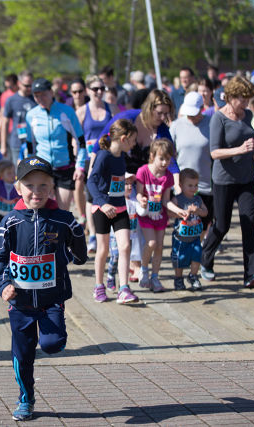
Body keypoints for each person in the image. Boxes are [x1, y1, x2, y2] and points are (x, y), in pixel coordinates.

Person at [0, 155, 87, 421]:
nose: (36, 192)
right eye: (29, 185)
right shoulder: (10, 222)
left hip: (52, 298)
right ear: (18, 188)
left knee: (52, 344)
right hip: (19, 302)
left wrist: (78, 253)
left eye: (43, 185)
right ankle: (26, 398)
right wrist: (3, 285)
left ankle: (53, 336)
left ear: (52, 187)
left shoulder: (63, 219)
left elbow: (77, 241)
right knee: (23, 354)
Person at [200, 76, 254, 288]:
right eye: (242, 99)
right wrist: (239, 150)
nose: (246, 104)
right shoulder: (219, 118)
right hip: (224, 180)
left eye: (247, 99)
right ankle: (205, 260)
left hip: (246, 178)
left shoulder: (248, 116)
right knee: (222, 224)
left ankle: (252, 272)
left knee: (250, 222)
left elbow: (249, 142)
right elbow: (215, 152)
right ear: (231, 97)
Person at [87, 119, 139, 304]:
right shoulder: (103, 156)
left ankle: (124, 289)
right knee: (103, 249)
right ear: (124, 139)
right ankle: (99, 286)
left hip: (120, 207)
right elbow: (91, 181)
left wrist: (126, 178)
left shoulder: (121, 157)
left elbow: (112, 179)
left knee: (125, 246)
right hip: (103, 209)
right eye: (132, 140)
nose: (134, 144)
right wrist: (102, 203)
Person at [24, 78, 87, 211]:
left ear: (51, 93)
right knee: (44, 210)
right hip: (43, 169)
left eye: (44, 94)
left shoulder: (67, 111)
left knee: (62, 211)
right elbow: (30, 145)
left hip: (65, 168)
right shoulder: (31, 115)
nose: (40, 98)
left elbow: (81, 141)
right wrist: (29, 167)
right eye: (36, 95)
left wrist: (80, 166)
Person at [77, 75, 118, 252]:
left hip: (108, 158)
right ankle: (93, 234)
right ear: (88, 90)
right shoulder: (81, 111)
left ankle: (107, 233)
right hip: (89, 159)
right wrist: (79, 165)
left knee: (108, 194)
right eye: (95, 89)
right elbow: (77, 140)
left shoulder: (112, 108)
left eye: (102, 88)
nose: (99, 92)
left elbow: (119, 131)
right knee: (91, 196)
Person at [169, 92, 213, 235]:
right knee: (183, 227)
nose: (191, 116)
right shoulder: (176, 125)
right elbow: (169, 154)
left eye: (195, 112)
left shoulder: (211, 123)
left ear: (202, 108)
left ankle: (200, 256)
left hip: (205, 185)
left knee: (203, 227)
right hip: (182, 186)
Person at [135, 138, 175, 292]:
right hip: (146, 214)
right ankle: (143, 269)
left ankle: (155, 277)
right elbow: (138, 193)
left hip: (160, 215)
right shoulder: (143, 171)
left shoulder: (168, 176)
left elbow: (166, 200)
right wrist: (142, 199)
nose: (165, 163)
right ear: (152, 156)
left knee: (159, 246)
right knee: (151, 243)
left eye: (168, 159)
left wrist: (177, 211)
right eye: (161, 158)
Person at [167, 168, 207, 290]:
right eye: (190, 185)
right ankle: (178, 278)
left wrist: (198, 211)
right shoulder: (178, 199)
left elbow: (206, 213)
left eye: (195, 185)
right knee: (180, 259)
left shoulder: (198, 199)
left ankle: (193, 276)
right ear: (180, 185)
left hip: (195, 237)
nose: (193, 188)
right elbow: (169, 213)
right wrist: (181, 213)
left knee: (197, 257)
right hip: (180, 238)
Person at [0, 70, 36, 167]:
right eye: (26, 86)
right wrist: (3, 145)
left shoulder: (36, 99)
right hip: (17, 143)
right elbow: (5, 123)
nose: (29, 88)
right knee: (19, 175)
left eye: (31, 86)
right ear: (19, 84)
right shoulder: (11, 100)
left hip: (34, 144)